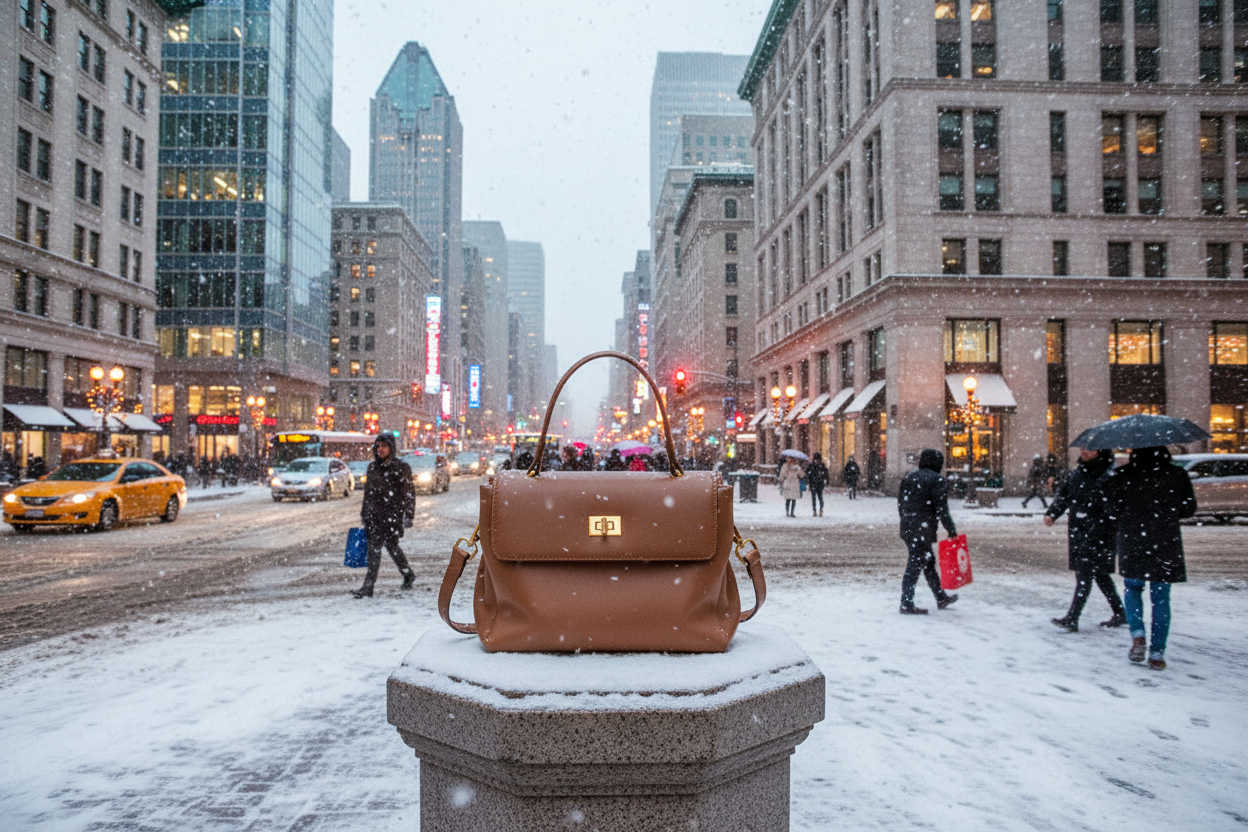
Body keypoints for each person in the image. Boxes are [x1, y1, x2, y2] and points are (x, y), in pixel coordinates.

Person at [1101, 446, 1196, 670]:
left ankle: (1138, 635)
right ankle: (1157, 653)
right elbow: (1189, 508)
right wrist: (1166, 511)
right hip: (1165, 540)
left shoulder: (1123, 475)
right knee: (1161, 597)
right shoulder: (1177, 474)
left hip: (1133, 538)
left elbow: (1111, 509)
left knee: (1133, 588)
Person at [1044, 449, 1126, 632]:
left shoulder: (1108, 475)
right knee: (1100, 574)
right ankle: (1120, 612)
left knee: (1085, 574)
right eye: (1082, 448)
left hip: (1100, 533)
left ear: (1100, 451)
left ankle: (1072, 618)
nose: (1084, 451)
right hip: (1079, 529)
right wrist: (1052, 513)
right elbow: (1065, 495)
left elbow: (1112, 509)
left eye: (1089, 449)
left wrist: (1098, 527)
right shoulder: (1079, 472)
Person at [353, 433, 417, 599]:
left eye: (384, 446)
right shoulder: (372, 467)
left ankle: (406, 574)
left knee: (391, 547)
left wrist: (408, 515)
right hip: (374, 517)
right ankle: (370, 586)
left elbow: (408, 493)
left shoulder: (401, 468)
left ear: (391, 448)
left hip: (392, 516)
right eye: (378, 446)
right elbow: (368, 494)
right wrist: (365, 513)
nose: (380, 449)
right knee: (375, 550)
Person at [897, 449, 959, 614]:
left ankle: (940, 597)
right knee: (915, 564)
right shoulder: (937, 480)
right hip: (923, 528)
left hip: (909, 527)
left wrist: (907, 521)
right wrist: (951, 529)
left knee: (927, 561)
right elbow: (942, 509)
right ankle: (906, 603)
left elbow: (901, 504)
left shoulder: (909, 478)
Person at [806, 452, 829, 516]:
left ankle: (818, 509)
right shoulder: (815, 465)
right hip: (816, 483)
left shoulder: (817, 465)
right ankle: (815, 510)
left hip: (817, 484)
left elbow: (825, 474)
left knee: (818, 497)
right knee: (816, 498)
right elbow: (808, 473)